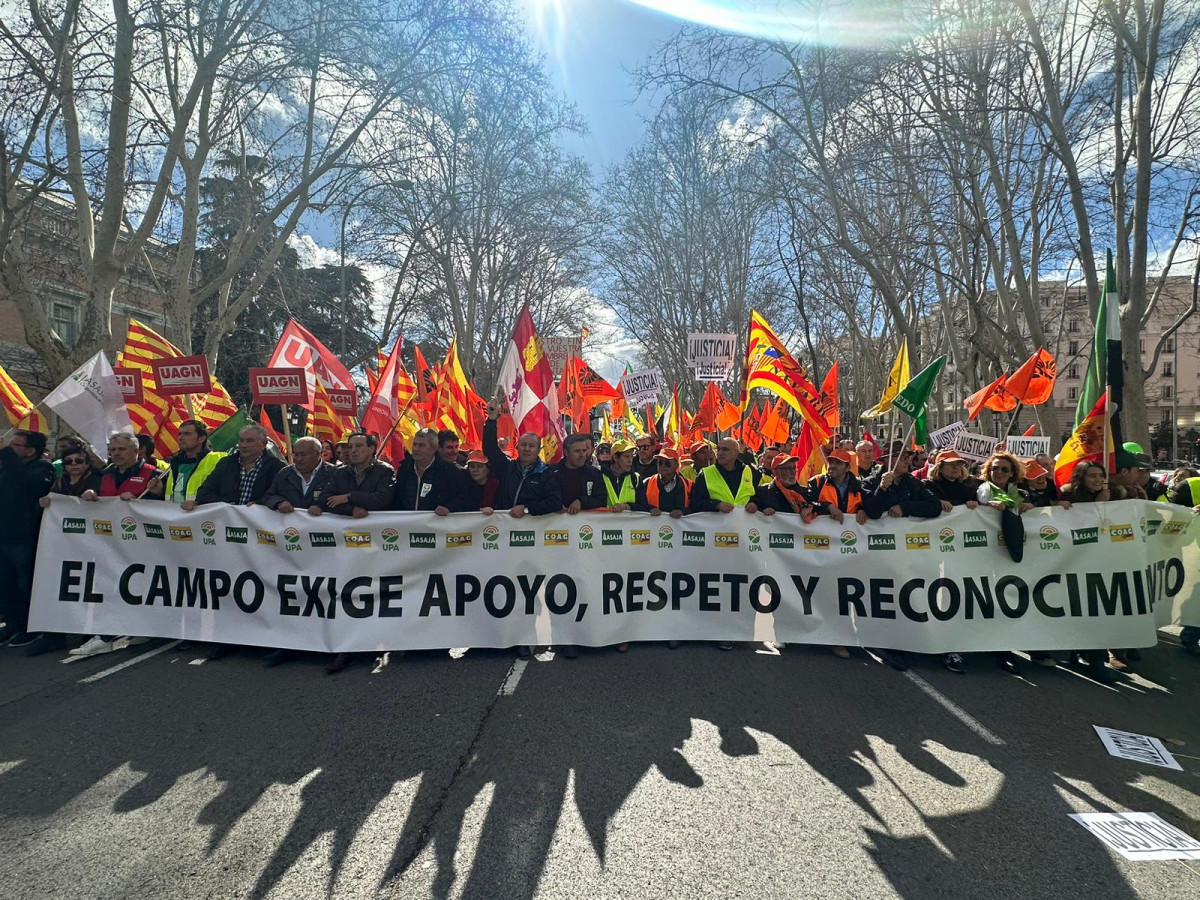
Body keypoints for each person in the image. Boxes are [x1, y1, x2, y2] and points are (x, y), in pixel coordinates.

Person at [484, 402, 562, 660]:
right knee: (503, 587)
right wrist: (492, 420)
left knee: (526, 590)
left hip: (531, 542)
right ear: (517, 447)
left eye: (532, 446)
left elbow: (553, 502)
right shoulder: (508, 467)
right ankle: (502, 635)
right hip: (504, 539)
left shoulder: (546, 473)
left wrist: (527, 509)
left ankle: (526, 639)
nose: (527, 449)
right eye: (524, 445)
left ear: (539, 450)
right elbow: (489, 450)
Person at [1057, 460, 1121, 683]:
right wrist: (1095, 504)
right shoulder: (1068, 496)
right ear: (1081, 477)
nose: (1096, 479)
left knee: (1098, 610)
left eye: (1099, 475)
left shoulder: (1114, 494)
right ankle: (1080, 654)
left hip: (1103, 561)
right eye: (1091, 475)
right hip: (1075, 561)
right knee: (1079, 609)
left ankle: (1095, 659)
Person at [0, 430, 55, 649]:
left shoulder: (43, 469)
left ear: (30, 451)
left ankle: (33, 627)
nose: (11, 448)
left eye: (16, 445)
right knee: (5, 584)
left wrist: (4, 452)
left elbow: (23, 485)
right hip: (4, 535)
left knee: (26, 584)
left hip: (25, 539)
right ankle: (14, 623)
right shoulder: (9, 469)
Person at [195, 424, 285, 507]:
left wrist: (258, 504)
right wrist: (227, 504)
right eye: (241, 440)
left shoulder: (276, 467)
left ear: (263, 444)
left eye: (249, 441)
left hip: (259, 522)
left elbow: (282, 496)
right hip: (227, 520)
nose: (243, 445)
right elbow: (204, 493)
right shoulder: (226, 463)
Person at [260, 436, 339, 514]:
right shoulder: (284, 473)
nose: (299, 459)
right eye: (296, 455)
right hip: (290, 526)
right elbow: (268, 496)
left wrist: (322, 507)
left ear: (317, 454)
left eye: (303, 455)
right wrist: (279, 502)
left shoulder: (334, 474)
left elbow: (343, 502)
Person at [324, 432, 394, 517]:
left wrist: (349, 497)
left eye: (358, 446)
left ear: (371, 449)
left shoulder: (385, 470)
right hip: (345, 527)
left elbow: (382, 499)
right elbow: (325, 499)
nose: (353, 450)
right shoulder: (340, 472)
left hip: (377, 527)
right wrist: (351, 510)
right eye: (350, 447)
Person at [862, 447, 942, 520]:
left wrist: (904, 507)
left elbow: (935, 506)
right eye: (903, 458)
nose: (908, 462)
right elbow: (873, 513)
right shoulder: (870, 482)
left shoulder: (913, 481)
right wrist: (881, 489)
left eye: (908, 458)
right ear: (888, 460)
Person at [391, 428, 459, 513]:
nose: (416, 449)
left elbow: (466, 497)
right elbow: (396, 500)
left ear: (434, 448)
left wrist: (449, 507)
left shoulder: (450, 470)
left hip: (436, 524)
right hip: (406, 524)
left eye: (421, 445)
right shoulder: (404, 469)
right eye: (415, 444)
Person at [691, 437, 762, 515]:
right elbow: (695, 503)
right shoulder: (705, 473)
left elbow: (757, 495)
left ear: (735, 453)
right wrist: (716, 505)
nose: (720, 453)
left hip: (743, 524)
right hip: (717, 524)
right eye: (718, 449)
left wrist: (754, 503)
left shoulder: (748, 471)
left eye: (725, 449)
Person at [161, 419, 222, 510]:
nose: (180, 437)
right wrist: (159, 491)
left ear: (201, 438)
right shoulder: (176, 462)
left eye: (187, 434)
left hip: (203, 520)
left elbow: (225, 495)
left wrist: (198, 503)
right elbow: (175, 493)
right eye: (180, 434)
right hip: (174, 518)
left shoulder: (218, 460)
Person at [84, 432, 163, 501]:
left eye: (122, 449)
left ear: (136, 451)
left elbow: (162, 507)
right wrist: (89, 494)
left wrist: (138, 502)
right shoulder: (102, 474)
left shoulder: (155, 475)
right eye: (112, 450)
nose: (116, 453)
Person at [807, 448, 869, 526]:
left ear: (848, 468)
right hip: (823, 532)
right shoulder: (816, 481)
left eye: (838, 463)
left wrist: (863, 510)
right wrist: (828, 506)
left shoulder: (858, 484)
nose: (832, 466)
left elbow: (869, 504)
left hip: (851, 532)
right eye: (831, 462)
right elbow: (807, 503)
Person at [553, 432, 605, 513]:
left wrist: (582, 501)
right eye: (577, 451)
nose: (582, 455)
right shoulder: (552, 473)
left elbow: (602, 501)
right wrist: (555, 505)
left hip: (585, 524)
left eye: (584, 450)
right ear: (566, 452)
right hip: (555, 523)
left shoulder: (594, 474)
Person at [636, 447, 692, 518]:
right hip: (653, 527)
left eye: (667, 463)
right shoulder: (646, 483)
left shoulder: (689, 485)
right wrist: (650, 508)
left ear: (676, 466)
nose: (663, 466)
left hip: (679, 528)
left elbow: (695, 507)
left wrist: (682, 511)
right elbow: (639, 504)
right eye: (660, 463)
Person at [754, 455, 814, 520]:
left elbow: (819, 506)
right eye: (787, 469)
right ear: (775, 472)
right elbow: (751, 507)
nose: (792, 472)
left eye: (794, 467)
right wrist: (762, 509)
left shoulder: (805, 492)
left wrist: (810, 508)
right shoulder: (763, 492)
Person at [602, 440, 640, 510]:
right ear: (615, 458)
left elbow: (643, 505)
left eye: (632, 456)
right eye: (626, 457)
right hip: (604, 520)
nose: (630, 460)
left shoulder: (636, 478)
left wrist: (627, 506)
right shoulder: (600, 476)